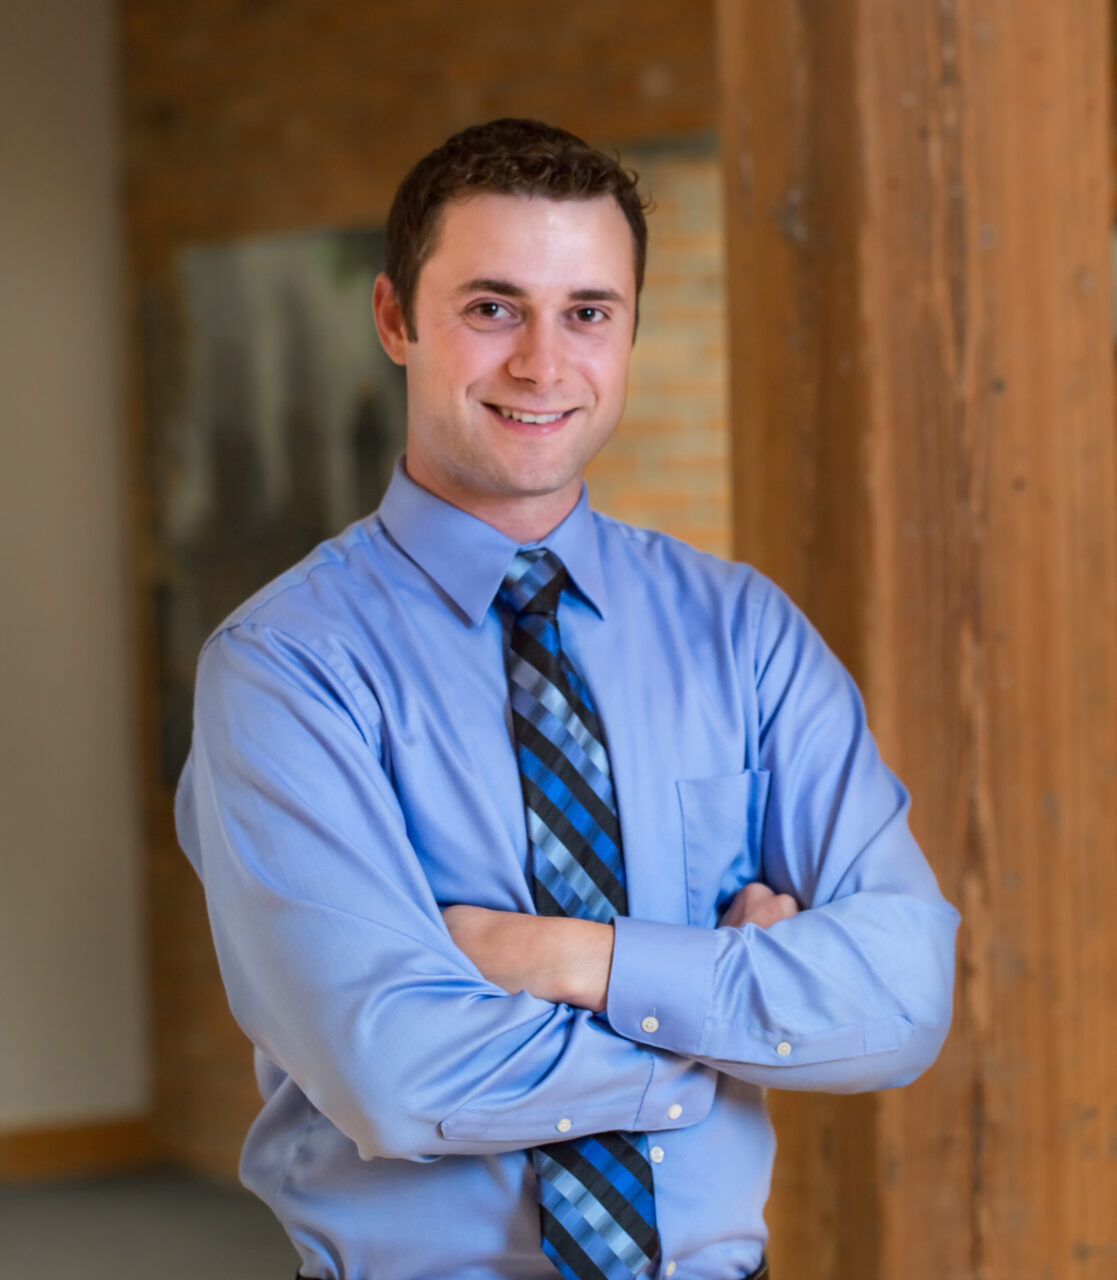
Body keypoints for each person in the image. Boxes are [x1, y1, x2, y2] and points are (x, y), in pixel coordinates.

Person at [175, 118, 959, 1280]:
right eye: (493, 308)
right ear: (395, 319)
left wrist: (567, 956)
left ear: (631, 327)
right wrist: (724, 1020)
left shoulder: (742, 634)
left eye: (587, 311)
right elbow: (394, 1070)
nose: (544, 363)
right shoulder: (286, 667)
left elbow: (901, 996)